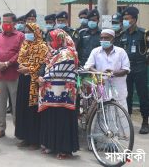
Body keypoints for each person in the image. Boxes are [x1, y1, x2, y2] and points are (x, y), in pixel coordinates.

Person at [38, 29, 79, 160]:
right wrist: (41, 75)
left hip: (64, 93)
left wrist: (44, 78)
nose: (50, 42)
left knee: (63, 118)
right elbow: (45, 66)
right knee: (51, 116)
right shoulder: (54, 52)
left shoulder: (68, 53)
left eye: (52, 39)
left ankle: (65, 148)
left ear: (60, 39)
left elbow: (58, 70)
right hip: (51, 91)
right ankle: (52, 144)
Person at [0, 13, 25, 138]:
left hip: (14, 75)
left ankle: (19, 129)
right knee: (0, 104)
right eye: (4, 22)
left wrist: (8, 63)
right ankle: (0, 128)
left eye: (8, 22)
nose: (5, 25)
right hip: (0, 76)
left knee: (16, 105)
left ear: (14, 23)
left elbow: (22, 52)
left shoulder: (21, 36)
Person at [15, 23, 48, 149]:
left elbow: (43, 64)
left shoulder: (42, 46)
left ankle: (35, 140)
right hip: (23, 79)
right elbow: (20, 59)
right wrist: (22, 67)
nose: (27, 33)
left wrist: (29, 69)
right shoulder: (24, 44)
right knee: (23, 108)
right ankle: (25, 137)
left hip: (35, 81)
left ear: (36, 32)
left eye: (30, 31)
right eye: (26, 31)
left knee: (33, 110)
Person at [84, 29, 130, 110]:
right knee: (103, 114)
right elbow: (88, 66)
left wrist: (112, 73)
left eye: (106, 38)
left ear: (113, 39)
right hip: (102, 88)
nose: (103, 40)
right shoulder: (95, 51)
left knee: (122, 114)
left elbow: (126, 69)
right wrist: (100, 73)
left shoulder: (121, 52)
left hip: (118, 88)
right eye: (101, 38)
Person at [120, 7, 149, 134]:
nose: (125, 21)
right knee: (127, 95)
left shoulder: (143, 34)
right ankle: (128, 121)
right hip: (127, 69)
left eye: (127, 19)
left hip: (140, 68)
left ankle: (145, 122)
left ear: (134, 19)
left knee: (143, 95)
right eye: (123, 19)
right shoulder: (122, 35)